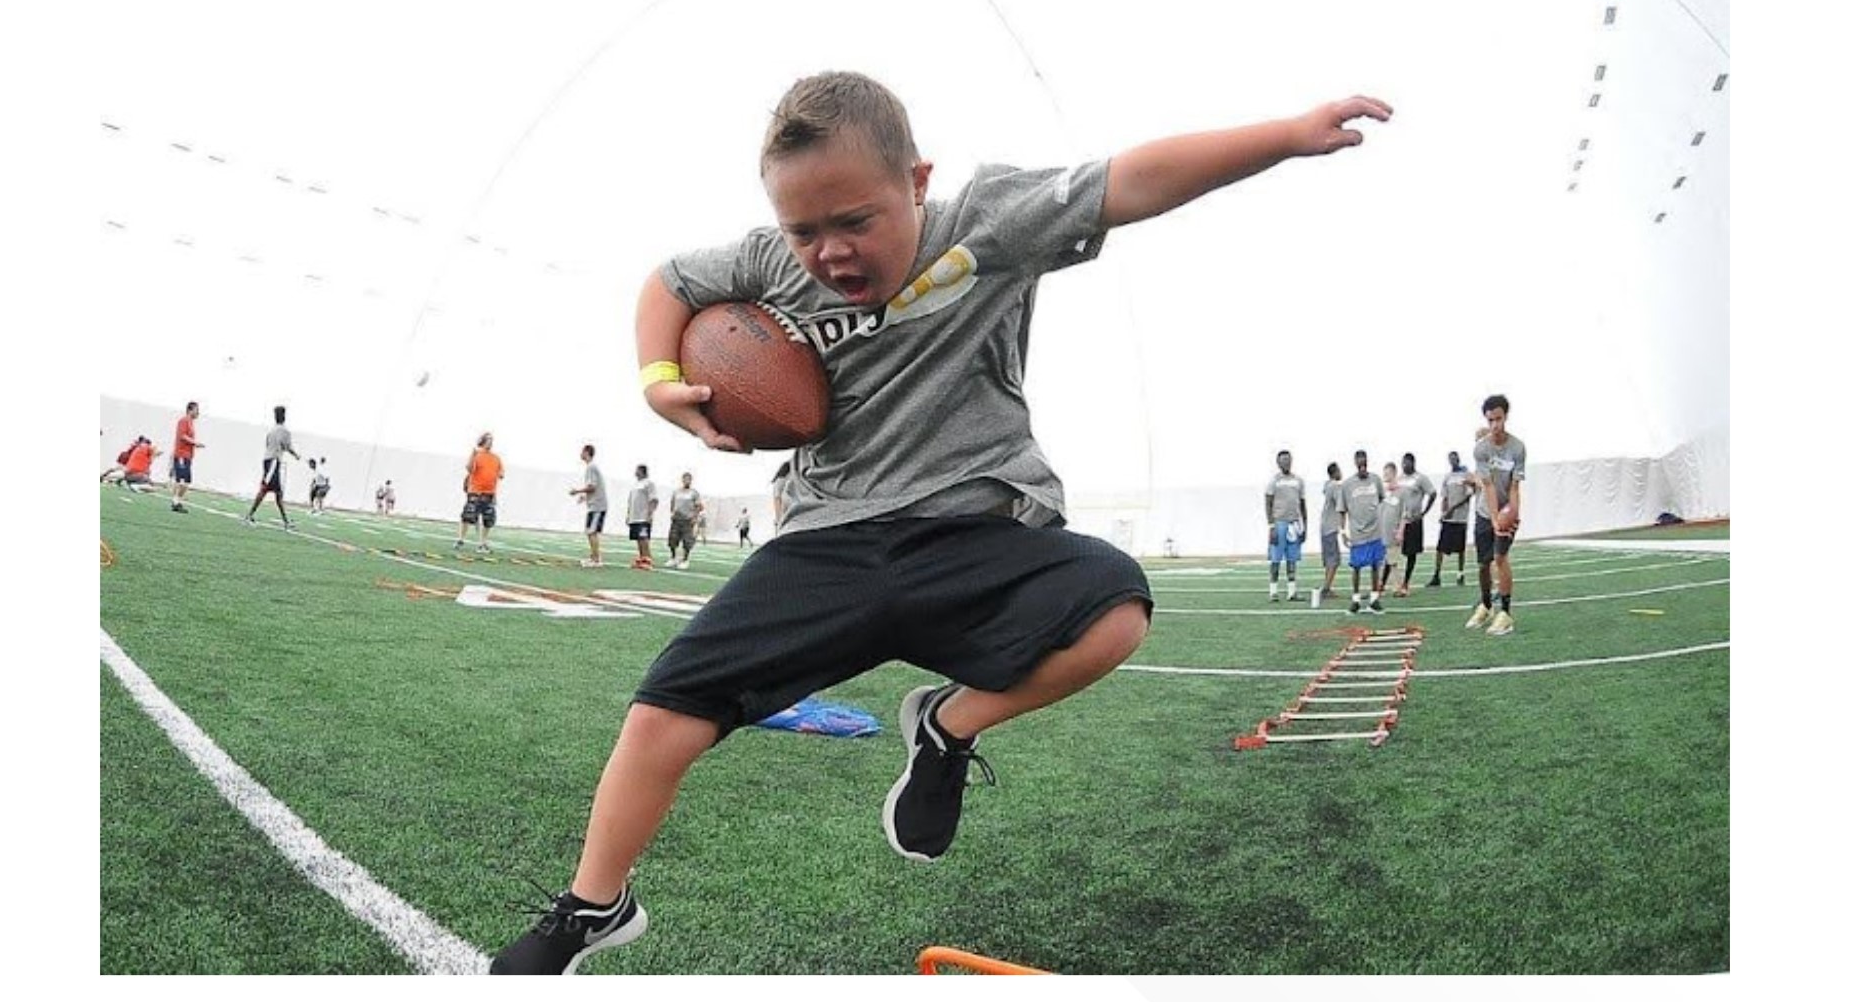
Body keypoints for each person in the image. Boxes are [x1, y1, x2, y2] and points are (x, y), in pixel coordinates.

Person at [489, 70, 1389, 974]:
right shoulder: (768, 264)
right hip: (826, 540)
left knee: (1116, 605)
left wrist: (1287, 133)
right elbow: (667, 284)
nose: (830, 252)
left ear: (917, 182)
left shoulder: (989, 220)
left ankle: (949, 727)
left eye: (855, 221)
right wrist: (656, 383)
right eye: (806, 230)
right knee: (662, 711)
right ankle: (593, 907)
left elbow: (1134, 178)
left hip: (974, 531)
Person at [1466, 394, 1527, 637]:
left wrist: (1512, 514)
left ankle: (1506, 613)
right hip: (1485, 512)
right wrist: (1493, 519)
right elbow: (1488, 486)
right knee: (1483, 563)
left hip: (1506, 510)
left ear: (1506, 417)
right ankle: (1486, 605)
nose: (1495, 425)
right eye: (1490, 420)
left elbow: (1514, 487)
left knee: (1500, 558)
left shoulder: (1518, 448)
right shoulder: (1481, 449)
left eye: (1499, 419)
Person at [1340, 450, 1388, 615]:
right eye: (1359, 463)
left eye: (1364, 463)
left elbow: (1382, 498)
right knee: (1356, 567)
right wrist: (1342, 531)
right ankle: (1355, 601)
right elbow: (1342, 510)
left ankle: (1374, 599)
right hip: (1357, 533)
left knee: (1376, 564)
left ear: (1367, 462)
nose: (1362, 466)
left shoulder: (1375, 480)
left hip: (1375, 531)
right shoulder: (1347, 485)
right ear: (1355, 463)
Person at [245, 405, 300, 529]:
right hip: (274, 462)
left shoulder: (271, 431)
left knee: (277, 493)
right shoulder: (285, 431)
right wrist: (296, 455)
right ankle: (249, 515)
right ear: (284, 416)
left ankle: (286, 521)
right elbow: (287, 446)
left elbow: (267, 444)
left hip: (268, 460)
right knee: (265, 490)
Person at [1262, 449, 1306, 602]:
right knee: (1275, 559)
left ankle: (1291, 592)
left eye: (1288, 459)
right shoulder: (1274, 481)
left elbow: (1302, 503)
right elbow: (1268, 503)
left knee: (1292, 560)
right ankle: (1273, 592)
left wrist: (1304, 526)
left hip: (1294, 523)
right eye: (1283, 460)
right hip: (1279, 523)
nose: (1286, 462)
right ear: (1278, 462)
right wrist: (1271, 526)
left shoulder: (1298, 481)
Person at [1427, 450, 1474, 587]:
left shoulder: (1466, 475)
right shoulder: (1447, 477)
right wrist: (1443, 512)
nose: (1453, 461)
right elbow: (1444, 497)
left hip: (1460, 518)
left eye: (1455, 458)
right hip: (1448, 518)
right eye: (1450, 459)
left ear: (1458, 459)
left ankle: (1460, 574)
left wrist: (1453, 508)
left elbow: (1468, 495)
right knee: (1440, 547)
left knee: (1460, 549)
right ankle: (1436, 575)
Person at [1393, 452, 1436, 597]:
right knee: (1394, 552)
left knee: (1411, 554)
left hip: (1413, 521)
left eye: (1407, 463)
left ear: (1413, 463)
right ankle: (1393, 584)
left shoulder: (1420, 478)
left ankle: (1406, 583)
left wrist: (1424, 512)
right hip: (1399, 522)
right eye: (1402, 463)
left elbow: (1433, 493)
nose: (1404, 465)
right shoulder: (1399, 479)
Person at [456, 432, 504, 553]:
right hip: (475, 491)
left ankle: (482, 543)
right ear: (482, 441)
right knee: (468, 515)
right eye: (488, 440)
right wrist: (472, 455)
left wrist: (498, 475)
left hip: (489, 493)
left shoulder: (496, 458)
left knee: (488, 519)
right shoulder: (477, 455)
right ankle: (460, 539)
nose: (490, 443)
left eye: (492, 440)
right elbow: (469, 468)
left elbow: (501, 474)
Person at [571, 444, 608, 568]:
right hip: (594, 505)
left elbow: (592, 487)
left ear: (587, 452)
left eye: (582, 451)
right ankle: (593, 557)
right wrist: (584, 497)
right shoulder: (591, 467)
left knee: (592, 532)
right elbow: (593, 487)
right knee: (590, 532)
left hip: (598, 506)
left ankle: (596, 559)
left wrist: (577, 491)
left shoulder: (591, 467)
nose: (580, 454)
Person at [1317, 462, 1345, 603]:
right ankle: (1326, 589)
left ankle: (1326, 587)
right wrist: (1343, 528)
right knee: (1334, 560)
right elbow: (1341, 507)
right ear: (1334, 472)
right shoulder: (1335, 486)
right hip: (1330, 528)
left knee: (1330, 560)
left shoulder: (1328, 485)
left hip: (1324, 526)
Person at [169, 401, 203, 513]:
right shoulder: (183, 421)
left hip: (187, 455)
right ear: (190, 410)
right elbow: (182, 436)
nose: (198, 413)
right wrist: (195, 443)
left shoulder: (190, 423)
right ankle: (175, 502)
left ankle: (177, 501)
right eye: (197, 410)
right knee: (181, 480)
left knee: (186, 480)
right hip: (181, 454)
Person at [1377, 462, 1404, 595]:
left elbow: (1405, 514)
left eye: (1387, 473)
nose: (1385, 476)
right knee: (1384, 560)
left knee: (1393, 561)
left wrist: (1400, 531)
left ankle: (1398, 587)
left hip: (1393, 531)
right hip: (1381, 532)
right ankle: (1380, 585)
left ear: (1394, 473)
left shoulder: (1402, 492)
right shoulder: (1383, 493)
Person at [626, 464, 658, 570]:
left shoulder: (649, 483)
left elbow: (653, 500)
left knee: (644, 538)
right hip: (634, 517)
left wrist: (650, 514)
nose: (635, 472)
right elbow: (630, 501)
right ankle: (641, 559)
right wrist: (628, 515)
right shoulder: (635, 485)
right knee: (638, 539)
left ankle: (648, 560)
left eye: (637, 470)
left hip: (643, 517)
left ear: (641, 471)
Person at [667, 472, 702, 569]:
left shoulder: (694, 493)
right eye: (685, 479)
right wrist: (672, 512)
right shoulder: (677, 492)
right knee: (672, 539)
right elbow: (672, 502)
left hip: (687, 520)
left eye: (688, 479)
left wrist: (694, 517)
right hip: (676, 519)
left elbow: (699, 506)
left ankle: (685, 559)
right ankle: (673, 558)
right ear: (682, 480)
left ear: (691, 481)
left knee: (687, 541)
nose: (686, 481)